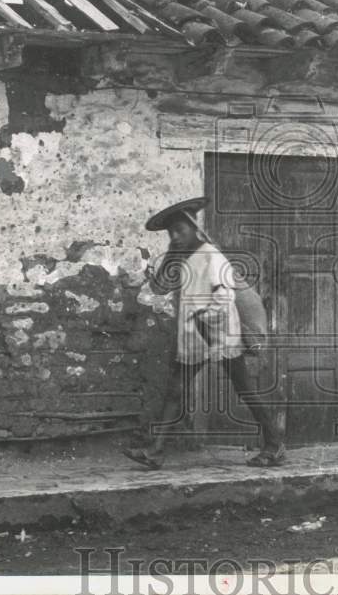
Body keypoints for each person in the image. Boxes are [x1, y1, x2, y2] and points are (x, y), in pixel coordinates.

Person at [124, 197, 286, 470]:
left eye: (180, 230)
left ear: (193, 228)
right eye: (171, 232)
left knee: (244, 389)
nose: (175, 236)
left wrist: (204, 318)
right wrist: (172, 252)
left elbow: (224, 296)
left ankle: (274, 444)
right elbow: (160, 287)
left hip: (220, 335)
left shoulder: (211, 255)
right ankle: (155, 451)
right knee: (176, 389)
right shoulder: (187, 258)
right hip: (194, 337)